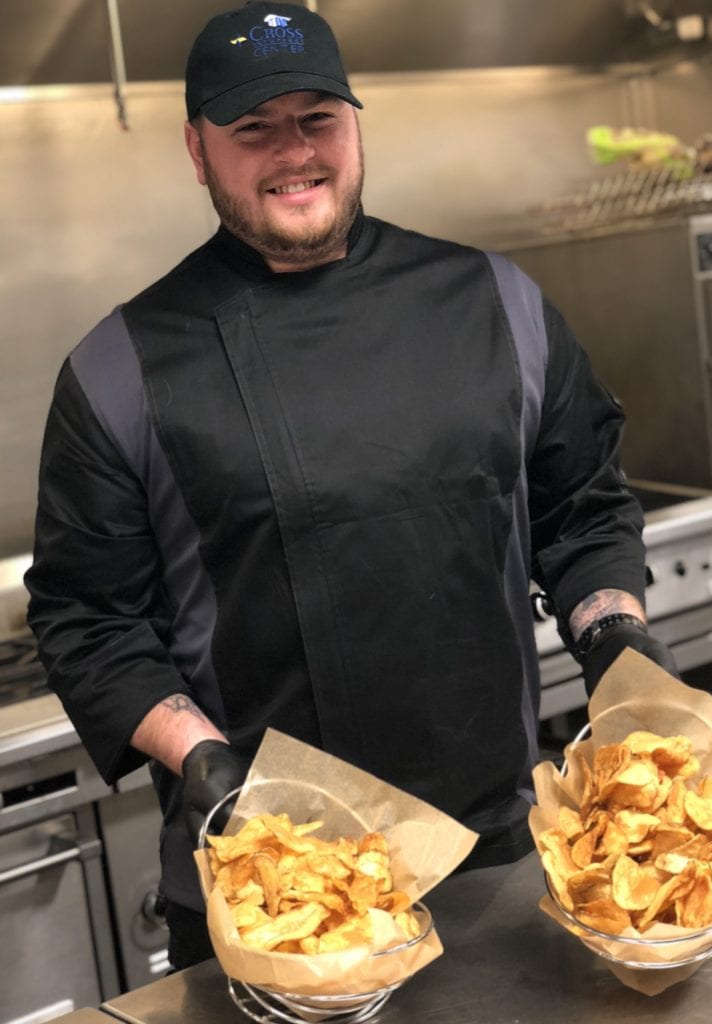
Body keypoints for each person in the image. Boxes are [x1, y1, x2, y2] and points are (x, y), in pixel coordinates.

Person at [25, 1, 678, 971]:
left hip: (495, 859)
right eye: (253, 128)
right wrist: (199, 758)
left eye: (316, 117)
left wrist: (611, 630)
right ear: (198, 151)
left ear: (355, 125)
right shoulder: (123, 368)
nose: (294, 151)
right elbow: (87, 616)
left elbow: (579, 502)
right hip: (270, 887)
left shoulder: (495, 303)